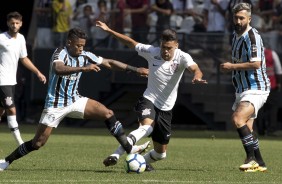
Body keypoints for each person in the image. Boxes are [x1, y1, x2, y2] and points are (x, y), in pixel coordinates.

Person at [0, 27, 150, 171]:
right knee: (37, 143)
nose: (80, 49)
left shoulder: (84, 55)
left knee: (108, 113)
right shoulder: (59, 53)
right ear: (69, 43)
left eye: (83, 46)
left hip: (75, 100)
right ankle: (6, 161)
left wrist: (136, 70)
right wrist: (83, 68)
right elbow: (59, 69)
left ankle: (129, 149)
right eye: (78, 45)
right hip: (55, 104)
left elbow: (109, 62)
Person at [96, 20, 207, 171]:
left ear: (176, 46)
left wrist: (197, 76)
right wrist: (109, 31)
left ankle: (138, 160)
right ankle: (115, 155)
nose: (166, 51)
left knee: (161, 154)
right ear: (160, 44)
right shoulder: (152, 51)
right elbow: (130, 42)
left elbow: (196, 68)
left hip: (166, 108)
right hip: (149, 99)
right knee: (146, 128)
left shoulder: (182, 57)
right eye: (163, 47)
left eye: (169, 48)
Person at [220, 3, 270, 172]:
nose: (239, 21)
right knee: (247, 128)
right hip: (242, 88)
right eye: (236, 17)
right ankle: (260, 163)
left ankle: (250, 158)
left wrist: (231, 67)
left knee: (237, 119)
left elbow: (256, 64)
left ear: (249, 19)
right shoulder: (235, 35)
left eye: (242, 18)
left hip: (256, 87)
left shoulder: (253, 36)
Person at [0, 11, 47, 146]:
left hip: (11, 81)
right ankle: (20, 142)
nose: (14, 25)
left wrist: (38, 72)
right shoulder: (1, 38)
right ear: (8, 23)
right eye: (12, 23)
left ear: (21, 24)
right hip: (2, 81)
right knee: (11, 109)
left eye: (17, 23)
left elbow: (24, 58)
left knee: (1, 111)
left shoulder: (21, 38)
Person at [256, 46, 282, 136]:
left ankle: (260, 129)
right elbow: (278, 71)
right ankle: (271, 129)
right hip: (271, 86)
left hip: (257, 87)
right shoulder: (272, 53)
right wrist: (279, 83)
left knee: (259, 109)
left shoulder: (253, 55)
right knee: (272, 109)